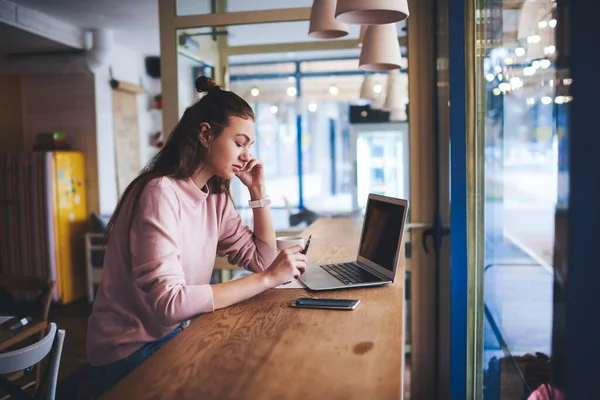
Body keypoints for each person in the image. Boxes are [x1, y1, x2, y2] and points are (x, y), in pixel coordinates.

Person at [84, 76, 308, 396]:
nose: (245, 155)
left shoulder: (214, 196)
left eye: (249, 146)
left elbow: (263, 259)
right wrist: (268, 278)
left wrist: (258, 193)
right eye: (239, 142)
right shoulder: (160, 193)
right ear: (205, 134)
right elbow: (170, 304)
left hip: (171, 333)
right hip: (127, 350)